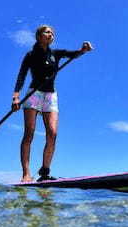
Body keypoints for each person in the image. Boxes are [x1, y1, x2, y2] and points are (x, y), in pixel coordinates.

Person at [12, 25, 93, 182]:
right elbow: (21, 75)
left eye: (52, 33)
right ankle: (26, 174)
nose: (50, 34)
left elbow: (73, 54)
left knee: (52, 133)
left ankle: (44, 172)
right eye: (47, 32)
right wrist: (16, 97)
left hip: (50, 96)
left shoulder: (56, 53)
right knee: (29, 133)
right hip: (34, 94)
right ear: (39, 36)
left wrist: (83, 50)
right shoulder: (30, 55)